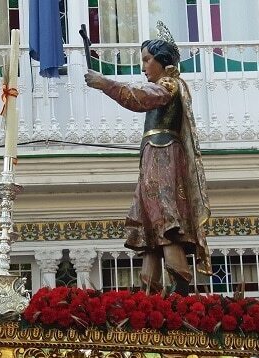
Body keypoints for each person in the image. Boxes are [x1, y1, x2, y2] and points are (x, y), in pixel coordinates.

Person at [84, 29, 211, 294]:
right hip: (154, 154)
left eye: (146, 60)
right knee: (151, 224)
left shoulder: (169, 84)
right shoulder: (168, 85)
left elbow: (141, 97)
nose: (143, 67)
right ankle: (148, 296)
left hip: (163, 155)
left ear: (162, 61)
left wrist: (105, 83)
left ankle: (180, 292)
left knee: (164, 217)